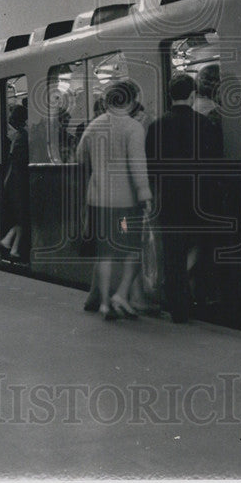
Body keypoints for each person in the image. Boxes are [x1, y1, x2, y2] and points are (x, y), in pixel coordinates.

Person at [144, 74, 223, 323]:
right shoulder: (205, 124)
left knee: (173, 253)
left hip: (169, 199)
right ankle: (201, 298)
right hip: (201, 198)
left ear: (170, 95)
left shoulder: (157, 126)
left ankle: (179, 308)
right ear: (192, 95)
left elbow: (151, 166)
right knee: (201, 245)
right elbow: (215, 162)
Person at [75, 80, 152, 321]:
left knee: (104, 252)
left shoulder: (94, 126)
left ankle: (105, 304)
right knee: (131, 249)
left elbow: (79, 157)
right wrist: (145, 195)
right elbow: (138, 166)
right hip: (125, 204)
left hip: (97, 201)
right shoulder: (133, 128)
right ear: (130, 101)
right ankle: (121, 294)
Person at [0, 104, 30, 261]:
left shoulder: (16, 136)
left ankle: (10, 244)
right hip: (19, 182)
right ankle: (11, 245)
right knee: (23, 217)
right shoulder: (24, 136)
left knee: (20, 217)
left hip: (11, 180)